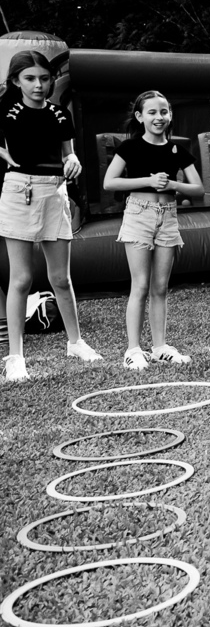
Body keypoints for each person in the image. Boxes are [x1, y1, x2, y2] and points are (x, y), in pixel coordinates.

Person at [0, 50, 102, 382]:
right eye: (30, 78)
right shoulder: (5, 110)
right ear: (16, 81)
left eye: (44, 78)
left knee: (61, 278)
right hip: (19, 191)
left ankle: (75, 342)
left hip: (55, 192)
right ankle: (15, 357)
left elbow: (69, 157)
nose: (39, 85)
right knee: (21, 279)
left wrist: (74, 163)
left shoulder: (60, 114)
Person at [102, 90, 204, 370]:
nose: (159, 117)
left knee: (160, 287)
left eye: (164, 112)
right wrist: (148, 180)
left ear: (170, 115)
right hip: (138, 215)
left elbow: (199, 189)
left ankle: (159, 347)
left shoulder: (177, 150)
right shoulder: (130, 147)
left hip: (168, 217)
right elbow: (109, 182)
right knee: (141, 285)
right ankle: (133, 350)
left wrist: (172, 185)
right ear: (140, 117)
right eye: (152, 112)